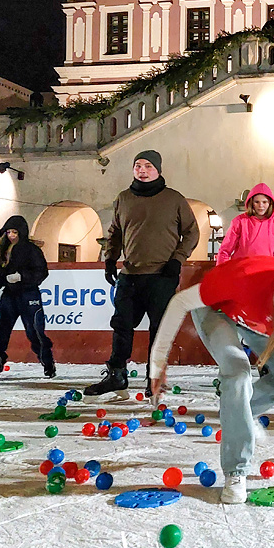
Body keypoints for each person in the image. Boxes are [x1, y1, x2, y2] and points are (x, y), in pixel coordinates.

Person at [148, 253, 274, 503]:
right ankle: (236, 471)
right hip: (216, 310)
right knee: (238, 373)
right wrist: (157, 365)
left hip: (261, 320)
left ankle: (237, 415)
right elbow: (179, 302)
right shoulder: (243, 280)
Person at [86, 150, 200, 399]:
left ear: (158, 170)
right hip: (130, 274)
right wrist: (109, 259)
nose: (142, 170)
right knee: (121, 324)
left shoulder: (174, 199)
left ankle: (154, 378)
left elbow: (191, 232)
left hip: (162, 275)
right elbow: (114, 232)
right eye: (138, 165)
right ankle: (117, 374)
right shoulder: (124, 198)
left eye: (148, 166)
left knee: (159, 329)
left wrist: (177, 260)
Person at [0, 215, 54, 380]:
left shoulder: (32, 250)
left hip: (29, 295)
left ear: (22, 233)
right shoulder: (2, 250)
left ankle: (47, 362)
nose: (11, 235)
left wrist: (21, 277)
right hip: (9, 296)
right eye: (8, 232)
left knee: (35, 332)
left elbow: (41, 272)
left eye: (15, 232)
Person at [217, 184, 274, 265]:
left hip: (266, 269)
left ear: (270, 203)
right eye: (257, 202)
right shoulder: (239, 221)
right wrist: (221, 272)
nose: (261, 205)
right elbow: (225, 250)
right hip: (242, 269)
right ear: (251, 203)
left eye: (264, 202)